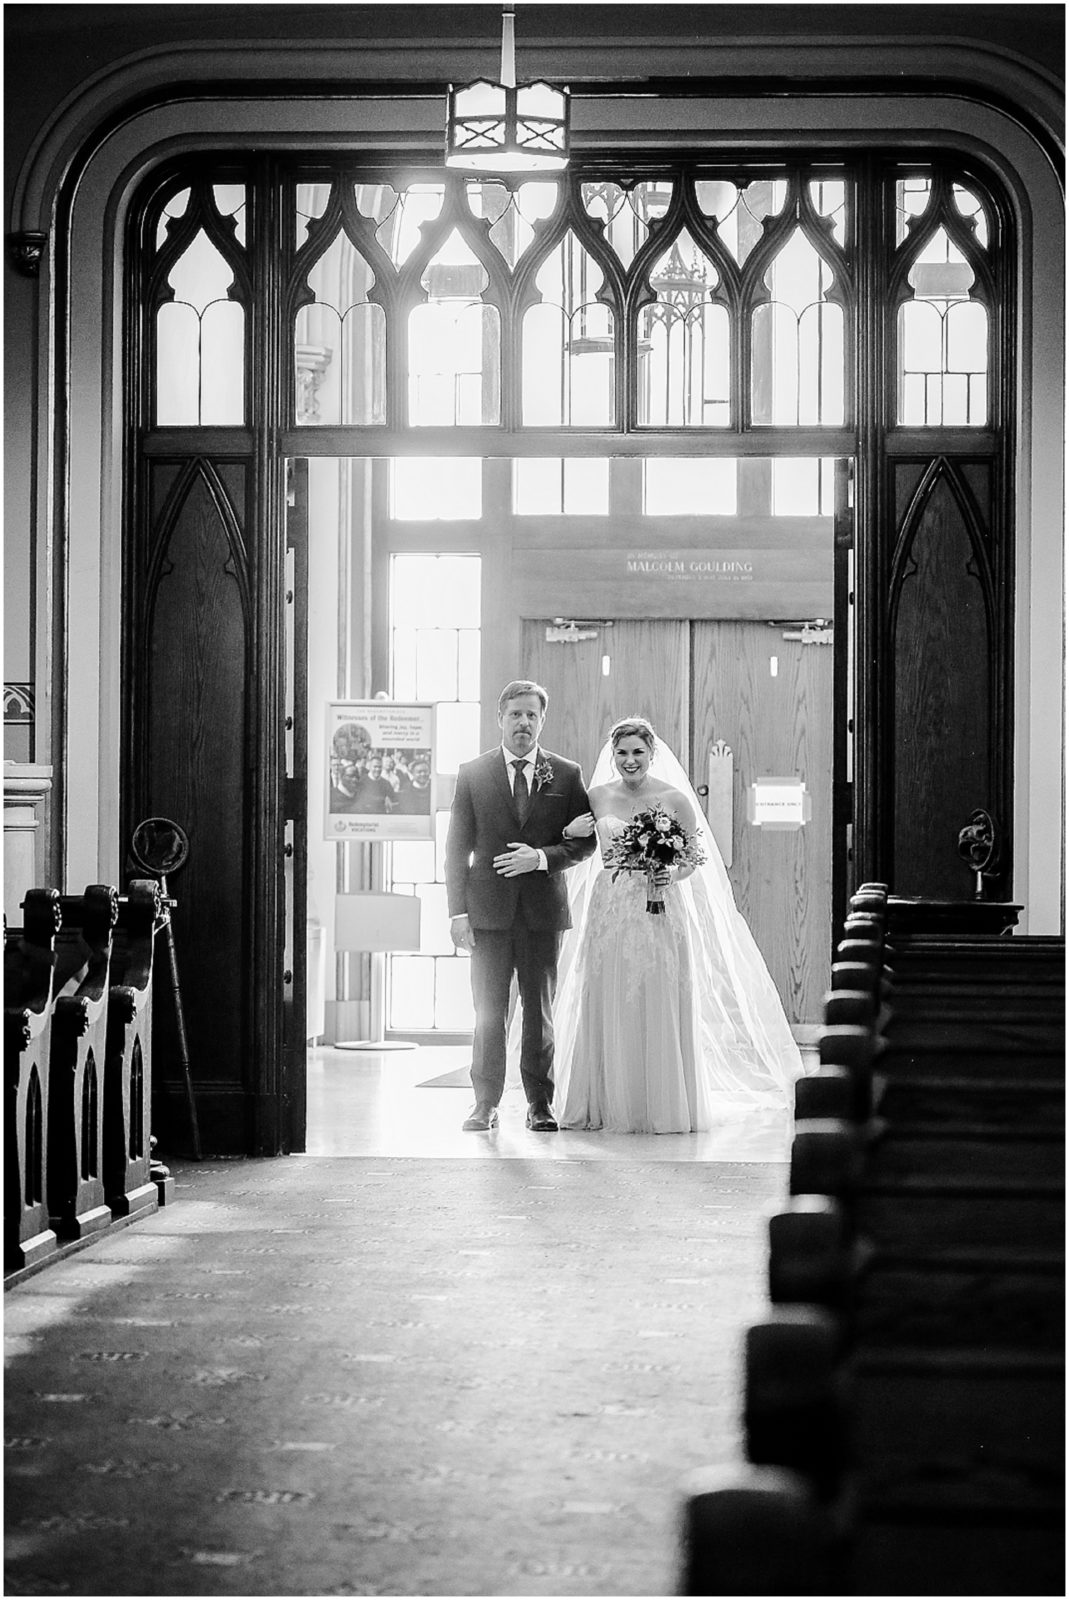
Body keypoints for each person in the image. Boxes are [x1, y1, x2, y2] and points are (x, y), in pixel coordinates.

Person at [551, 715, 803, 1133]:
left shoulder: (674, 798)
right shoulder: (594, 796)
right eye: (622, 753)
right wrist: (568, 828)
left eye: (637, 752)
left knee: (658, 994)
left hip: (660, 907)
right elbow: (575, 844)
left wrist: (671, 874)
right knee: (609, 993)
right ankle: (605, 1101)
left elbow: (692, 860)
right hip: (610, 908)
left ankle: (662, 1103)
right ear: (612, 756)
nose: (630, 760)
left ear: (652, 754)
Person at [445, 680, 597, 1132]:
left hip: (541, 913)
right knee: (488, 1010)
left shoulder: (566, 775)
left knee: (539, 1009)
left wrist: (543, 857)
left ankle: (539, 1104)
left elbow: (584, 843)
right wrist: (457, 913)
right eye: (515, 714)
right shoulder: (472, 773)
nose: (523, 723)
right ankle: (485, 1102)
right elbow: (457, 848)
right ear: (500, 718)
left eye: (532, 715)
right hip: (487, 912)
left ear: (542, 720)